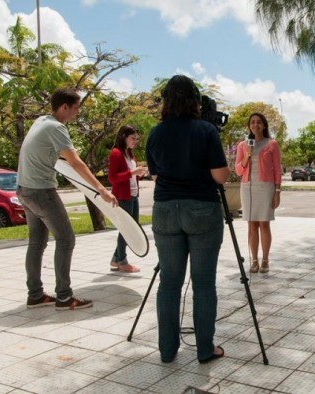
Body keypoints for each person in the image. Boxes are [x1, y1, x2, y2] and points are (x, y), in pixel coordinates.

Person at [146, 75, 230, 364]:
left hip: (165, 209)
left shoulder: (156, 133)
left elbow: (155, 175)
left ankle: (167, 350)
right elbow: (220, 176)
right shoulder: (206, 130)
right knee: (203, 283)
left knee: (169, 282)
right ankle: (205, 349)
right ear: (195, 99)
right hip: (202, 209)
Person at [17, 87, 117, 310]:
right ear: (64, 107)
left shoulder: (41, 120)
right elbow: (75, 162)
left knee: (37, 243)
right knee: (66, 239)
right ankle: (64, 297)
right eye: (75, 108)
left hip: (24, 190)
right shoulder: (56, 127)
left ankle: (35, 295)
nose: (77, 113)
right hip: (42, 192)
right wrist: (102, 189)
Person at [234, 113, 282, 274]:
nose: (256, 124)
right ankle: (254, 260)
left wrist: (277, 192)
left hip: (266, 187)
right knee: (251, 224)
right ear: (249, 126)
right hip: (247, 187)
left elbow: (277, 170)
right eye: (253, 122)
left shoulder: (272, 144)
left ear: (264, 125)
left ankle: (265, 260)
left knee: (264, 223)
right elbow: (239, 170)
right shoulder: (243, 145)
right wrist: (247, 154)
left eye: (259, 122)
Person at [108, 125, 146, 273]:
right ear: (124, 136)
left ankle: (116, 259)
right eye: (133, 138)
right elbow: (112, 178)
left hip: (133, 195)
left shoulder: (129, 153)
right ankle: (122, 260)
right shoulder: (116, 153)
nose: (135, 141)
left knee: (131, 227)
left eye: (136, 139)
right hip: (123, 196)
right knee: (127, 229)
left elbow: (130, 174)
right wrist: (132, 172)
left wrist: (138, 173)